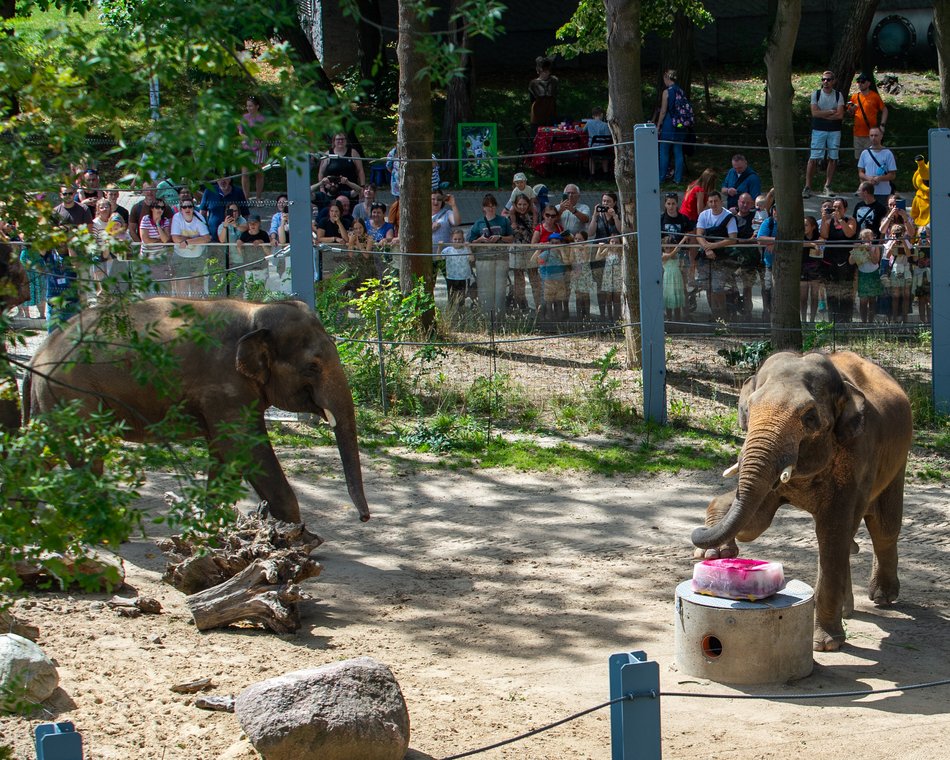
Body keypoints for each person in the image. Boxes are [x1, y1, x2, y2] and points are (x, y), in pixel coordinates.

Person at [468, 194, 513, 318]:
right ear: (484, 208)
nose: (491, 209)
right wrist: (480, 239)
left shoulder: (503, 221)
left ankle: (500, 317)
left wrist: (499, 237)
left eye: (492, 206)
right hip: (483, 260)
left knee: (500, 290)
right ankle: (486, 317)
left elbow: (511, 238)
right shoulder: (478, 223)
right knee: (485, 290)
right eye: (488, 206)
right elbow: (471, 242)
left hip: (501, 259)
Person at [694, 190, 737, 320]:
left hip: (722, 258)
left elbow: (732, 239)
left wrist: (713, 246)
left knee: (718, 288)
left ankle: (722, 317)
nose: (713, 204)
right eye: (711, 201)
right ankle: (714, 315)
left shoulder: (729, 216)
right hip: (705, 257)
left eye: (716, 201)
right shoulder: (703, 215)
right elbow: (698, 235)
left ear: (721, 201)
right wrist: (707, 249)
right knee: (708, 287)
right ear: (708, 203)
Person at [804, 71, 845, 198]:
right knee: (814, 157)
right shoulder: (816, 94)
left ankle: (827, 186)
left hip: (834, 131)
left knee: (833, 157)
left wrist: (823, 114)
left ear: (833, 81)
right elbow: (815, 113)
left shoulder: (838, 95)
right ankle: (807, 187)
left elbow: (840, 115)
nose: (825, 82)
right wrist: (830, 112)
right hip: (818, 130)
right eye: (823, 79)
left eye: (828, 79)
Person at [818, 197, 858, 323]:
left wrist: (840, 219)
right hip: (830, 261)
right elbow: (824, 235)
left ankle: (846, 320)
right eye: (834, 207)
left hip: (846, 261)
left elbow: (849, 234)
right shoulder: (829, 222)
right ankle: (833, 320)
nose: (836, 210)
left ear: (845, 209)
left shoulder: (850, 220)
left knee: (846, 291)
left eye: (839, 207)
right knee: (832, 292)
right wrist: (825, 220)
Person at [170, 198, 211, 296]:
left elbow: (206, 238)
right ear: (181, 209)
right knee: (181, 284)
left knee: (197, 284)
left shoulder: (199, 217)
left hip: (197, 256)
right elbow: (175, 238)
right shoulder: (177, 217)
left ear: (193, 208)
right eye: (184, 207)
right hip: (181, 256)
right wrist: (196, 239)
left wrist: (187, 241)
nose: (187, 209)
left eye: (190, 206)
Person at [661, 190, 694, 303]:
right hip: (666, 256)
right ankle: (668, 312)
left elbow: (691, 233)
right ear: (665, 204)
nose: (671, 206)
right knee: (666, 284)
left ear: (677, 204)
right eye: (668, 203)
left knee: (683, 284)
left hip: (682, 255)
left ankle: (685, 312)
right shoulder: (660, 219)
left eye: (673, 203)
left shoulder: (683, 219)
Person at [655, 69, 687, 185]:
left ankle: (661, 177)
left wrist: (658, 125)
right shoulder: (681, 91)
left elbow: (663, 111)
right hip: (680, 124)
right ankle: (677, 179)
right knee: (678, 151)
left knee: (664, 151)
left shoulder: (666, 92)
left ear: (666, 78)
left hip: (669, 123)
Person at [509, 195, 540, 312]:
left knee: (535, 281)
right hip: (517, 252)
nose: (522, 207)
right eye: (519, 205)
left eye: (524, 204)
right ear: (516, 205)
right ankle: (521, 307)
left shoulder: (534, 215)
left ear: (529, 204)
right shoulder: (511, 217)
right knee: (519, 282)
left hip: (531, 251)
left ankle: (539, 307)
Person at [848, 73, 888, 162]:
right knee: (859, 160)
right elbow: (850, 113)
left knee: (872, 159)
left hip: (871, 134)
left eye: (862, 81)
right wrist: (852, 110)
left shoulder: (874, 96)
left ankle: (872, 175)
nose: (860, 83)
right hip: (857, 134)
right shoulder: (855, 97)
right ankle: (861, 176)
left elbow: (884, 110)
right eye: (858, 82)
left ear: (868, 83)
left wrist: (882, 125)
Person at [198, 176, 248, 242]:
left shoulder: (238, 192)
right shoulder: (209, 191)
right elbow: (202, 214)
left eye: (225, 178)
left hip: (234, 238)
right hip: (213, 236)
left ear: (230, 178)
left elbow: (246, 214)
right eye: (219, 178)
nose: (222, 181)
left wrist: (244, 232)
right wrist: (204, 232)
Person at [138, 199, 172, 293]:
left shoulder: (165, 221)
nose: (160, 209)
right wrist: (159, 240)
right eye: (157, 207)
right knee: (146, 287)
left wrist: (157, 224)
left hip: (160, 259)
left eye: (162, 207)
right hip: (146, 259)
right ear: (152, 208)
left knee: (161, 286)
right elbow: (145, 240)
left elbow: (165, 240)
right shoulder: (145, 219)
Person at [856, 127, 897, 205]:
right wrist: (869, 178)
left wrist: (880, 178)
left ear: (881, 136)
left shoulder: (888, 153)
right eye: (871, 135)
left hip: (883, 192)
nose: (873, 138)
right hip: (867, 192)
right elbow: (860, 172)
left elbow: (892, 175)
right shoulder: (864, 153)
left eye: (876, 135)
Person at [849, 228, 882, 323]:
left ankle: (871, 322)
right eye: (864, 238)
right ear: (861, 238)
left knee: (872, 300)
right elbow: (851, 262)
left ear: (872, 237)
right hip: (863, 275)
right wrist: (856, 250)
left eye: (869, 237)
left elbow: (875, 261)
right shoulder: (859, 247)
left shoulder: (875, 247)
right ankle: (863, 322)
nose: (867, 239)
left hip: (873, 274)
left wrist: (869, 251)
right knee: (863, 301)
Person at [239, 95, 268, 201]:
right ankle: (246, 197)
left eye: (251, 106)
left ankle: (258, 197)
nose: (248, 108)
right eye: (247, 106)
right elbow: (240, 132)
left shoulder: (262, 119)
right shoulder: (244, 118)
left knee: (259, 174)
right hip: (247, 148)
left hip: (259, 149)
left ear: (257, 106)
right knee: (245, 173)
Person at [883, 223, 912, 323]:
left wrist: (903, 243)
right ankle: (894, 318)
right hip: (895, 270)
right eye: (895, 234)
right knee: (895, 296)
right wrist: (892, 244)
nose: (897, 236)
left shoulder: (906, 242)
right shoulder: (890, 242)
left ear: (903, 233)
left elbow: (909, 255)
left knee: (906, 295)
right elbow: (887, 256)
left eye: (899, 234)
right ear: (891, 234)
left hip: (905, 269)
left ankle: (905, 319)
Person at [431, 189, 460, 284]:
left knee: (451, 282)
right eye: (433, 199)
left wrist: (453, 205)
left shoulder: (447, 213)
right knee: (428, 285)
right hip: (429, 255)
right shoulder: (423, 214)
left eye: (438, 199)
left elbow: (456, 222)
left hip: (445, 255)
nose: (436, 202)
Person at [799, 215, 825, 322]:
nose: (804, 227)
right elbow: (799, 244)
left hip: (815, 269)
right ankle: (803, 320)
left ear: (813, 227)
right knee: (803, 297)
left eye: (806, 225)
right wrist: (812, 244)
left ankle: (812, 320)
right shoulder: (800, 236)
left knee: (814, 296)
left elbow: (822, 243)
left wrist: (818, 244)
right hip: (802, 268)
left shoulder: (818, 237)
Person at [442, 227, 475, 308]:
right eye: (455, 239)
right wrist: (439, 247)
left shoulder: (465, 250)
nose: (457, 241)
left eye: (459, 239)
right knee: (451, 298)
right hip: (451, 277)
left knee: (461, 299)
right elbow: (439, 258)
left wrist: (469, 247)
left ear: (463, 239)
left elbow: (472, 259)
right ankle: (451, 315)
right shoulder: (447, 250)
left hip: (463, 277)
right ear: (451, 239)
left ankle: (461, 314)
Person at [345, 217, 381, 292]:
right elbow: (350, 256)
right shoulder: (352, 238)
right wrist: (351, 243)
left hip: (367, 268)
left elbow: (366, 255)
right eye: (356, 228)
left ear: (363, 227)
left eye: (360, 228)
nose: (358, 230)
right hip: (356, 268)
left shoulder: (369, 238)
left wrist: (358, 244)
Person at [236, 214, 271, 283]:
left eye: (255, 223)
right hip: (249, 267)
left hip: (262, 267)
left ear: (259, 223)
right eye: (250, 223)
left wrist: (261, 243)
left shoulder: (264, 234)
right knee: (249, 290)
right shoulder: (244, 235)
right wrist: (239, 246)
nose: (252, 225)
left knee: (262, 290)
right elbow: (241, 254)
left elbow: (269, 253)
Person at [596, 236, 622, 322]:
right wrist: (600, 248)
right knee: (608, 297)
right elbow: (597, 258)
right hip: (608, 276)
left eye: (616, 242)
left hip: (617, 277)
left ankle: (617, 317)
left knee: (617, 298)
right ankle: (609, 317)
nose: (613, 243)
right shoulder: (607, 250)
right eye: (612, 241)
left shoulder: (621, 251)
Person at [569, 230, 594, 321]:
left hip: (585, 272)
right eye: (576, 239)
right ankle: (579, 316)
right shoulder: (573, 248)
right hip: (576, 272)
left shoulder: (587, 247)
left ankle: (587, 315)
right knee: (578, 295)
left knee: (586, 295)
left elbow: (585, 258)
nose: (577, 241)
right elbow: (571, 259)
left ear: (584, 240)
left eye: (580, 239)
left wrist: (581, 248)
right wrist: (573, 249)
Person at [528, 56, 558, 129]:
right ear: (539, 70)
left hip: (550, 114)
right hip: (538, 115)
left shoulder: (554, 81)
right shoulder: (533, 83)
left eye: (547, 70)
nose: (546, 73)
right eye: (544, 71)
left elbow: (554, 95)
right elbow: (532, 99)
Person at [662, 233, 685, 321]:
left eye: (671, 247)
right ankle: (668, 317)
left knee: (677, 297)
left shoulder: (677, 256)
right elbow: (672, 253)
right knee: (669, 296)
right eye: (666, 247)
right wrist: (684, 238)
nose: (669, 249)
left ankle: (678, 318)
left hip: (677, 278)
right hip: (668, 278)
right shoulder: (663, 256)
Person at [585, 106, 612, 177]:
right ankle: (605, 173)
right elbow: (608, 138)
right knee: (605, 158)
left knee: (591, 159)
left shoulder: (589, 123)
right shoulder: (605, 125)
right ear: (602, 114)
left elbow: (583, 131)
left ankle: (592, 174)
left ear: (593, 115)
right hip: (603, 148)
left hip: (592, 148)